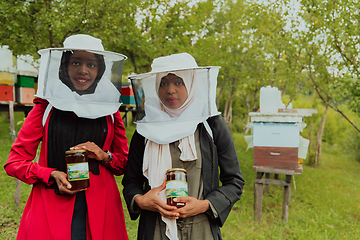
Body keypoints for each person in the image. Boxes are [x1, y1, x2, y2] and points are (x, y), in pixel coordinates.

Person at [4, 34, 129, 240]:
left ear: (100, 70)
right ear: (64, 66)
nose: (83, 70)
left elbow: (123, 163)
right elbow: (14, 162)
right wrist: (50, 174)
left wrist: (104, 155)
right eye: (76, 62)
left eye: (91, 64)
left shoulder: (110, 111)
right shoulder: (45, 107)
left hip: (101, 207)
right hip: (50, 204)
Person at [122, 53, 245, 240]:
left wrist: (204, 205)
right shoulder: (146, 129)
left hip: (201, 229)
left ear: (192, 84)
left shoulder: (211, 125)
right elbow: (131, 181)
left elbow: (234, 181)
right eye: (163, 83)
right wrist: (141, 200)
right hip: (155, 230)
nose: (170, 90)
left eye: (179, 82)